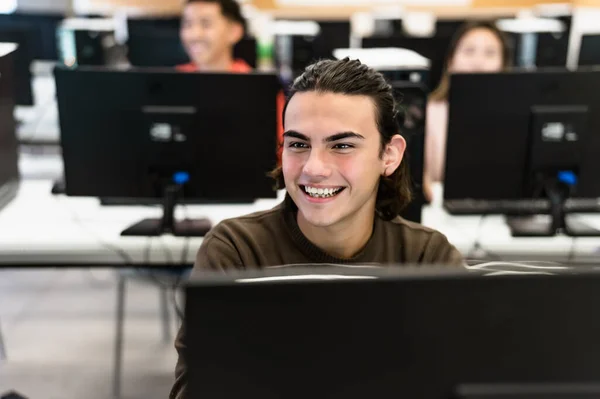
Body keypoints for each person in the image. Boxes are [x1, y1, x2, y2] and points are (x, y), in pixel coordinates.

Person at [169, 58, 464, 399]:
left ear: (390, 155)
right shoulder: (237, 250)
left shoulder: (426, 258)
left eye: (342, 146)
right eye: (298, 144)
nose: (314, 168)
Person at [176, 0, 284, 154]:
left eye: (205, 24)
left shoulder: (259, 89)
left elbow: (283, 152)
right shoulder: (172, 83)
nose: (194, 34)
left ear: (234, 31)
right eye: (187, 24)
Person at [423, 21, 512, 202]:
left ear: (503, 65)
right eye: (469, 51)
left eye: (490, 53)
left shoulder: (513, 116)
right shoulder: (428, 112)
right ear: (451, 61)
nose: (478, 62)